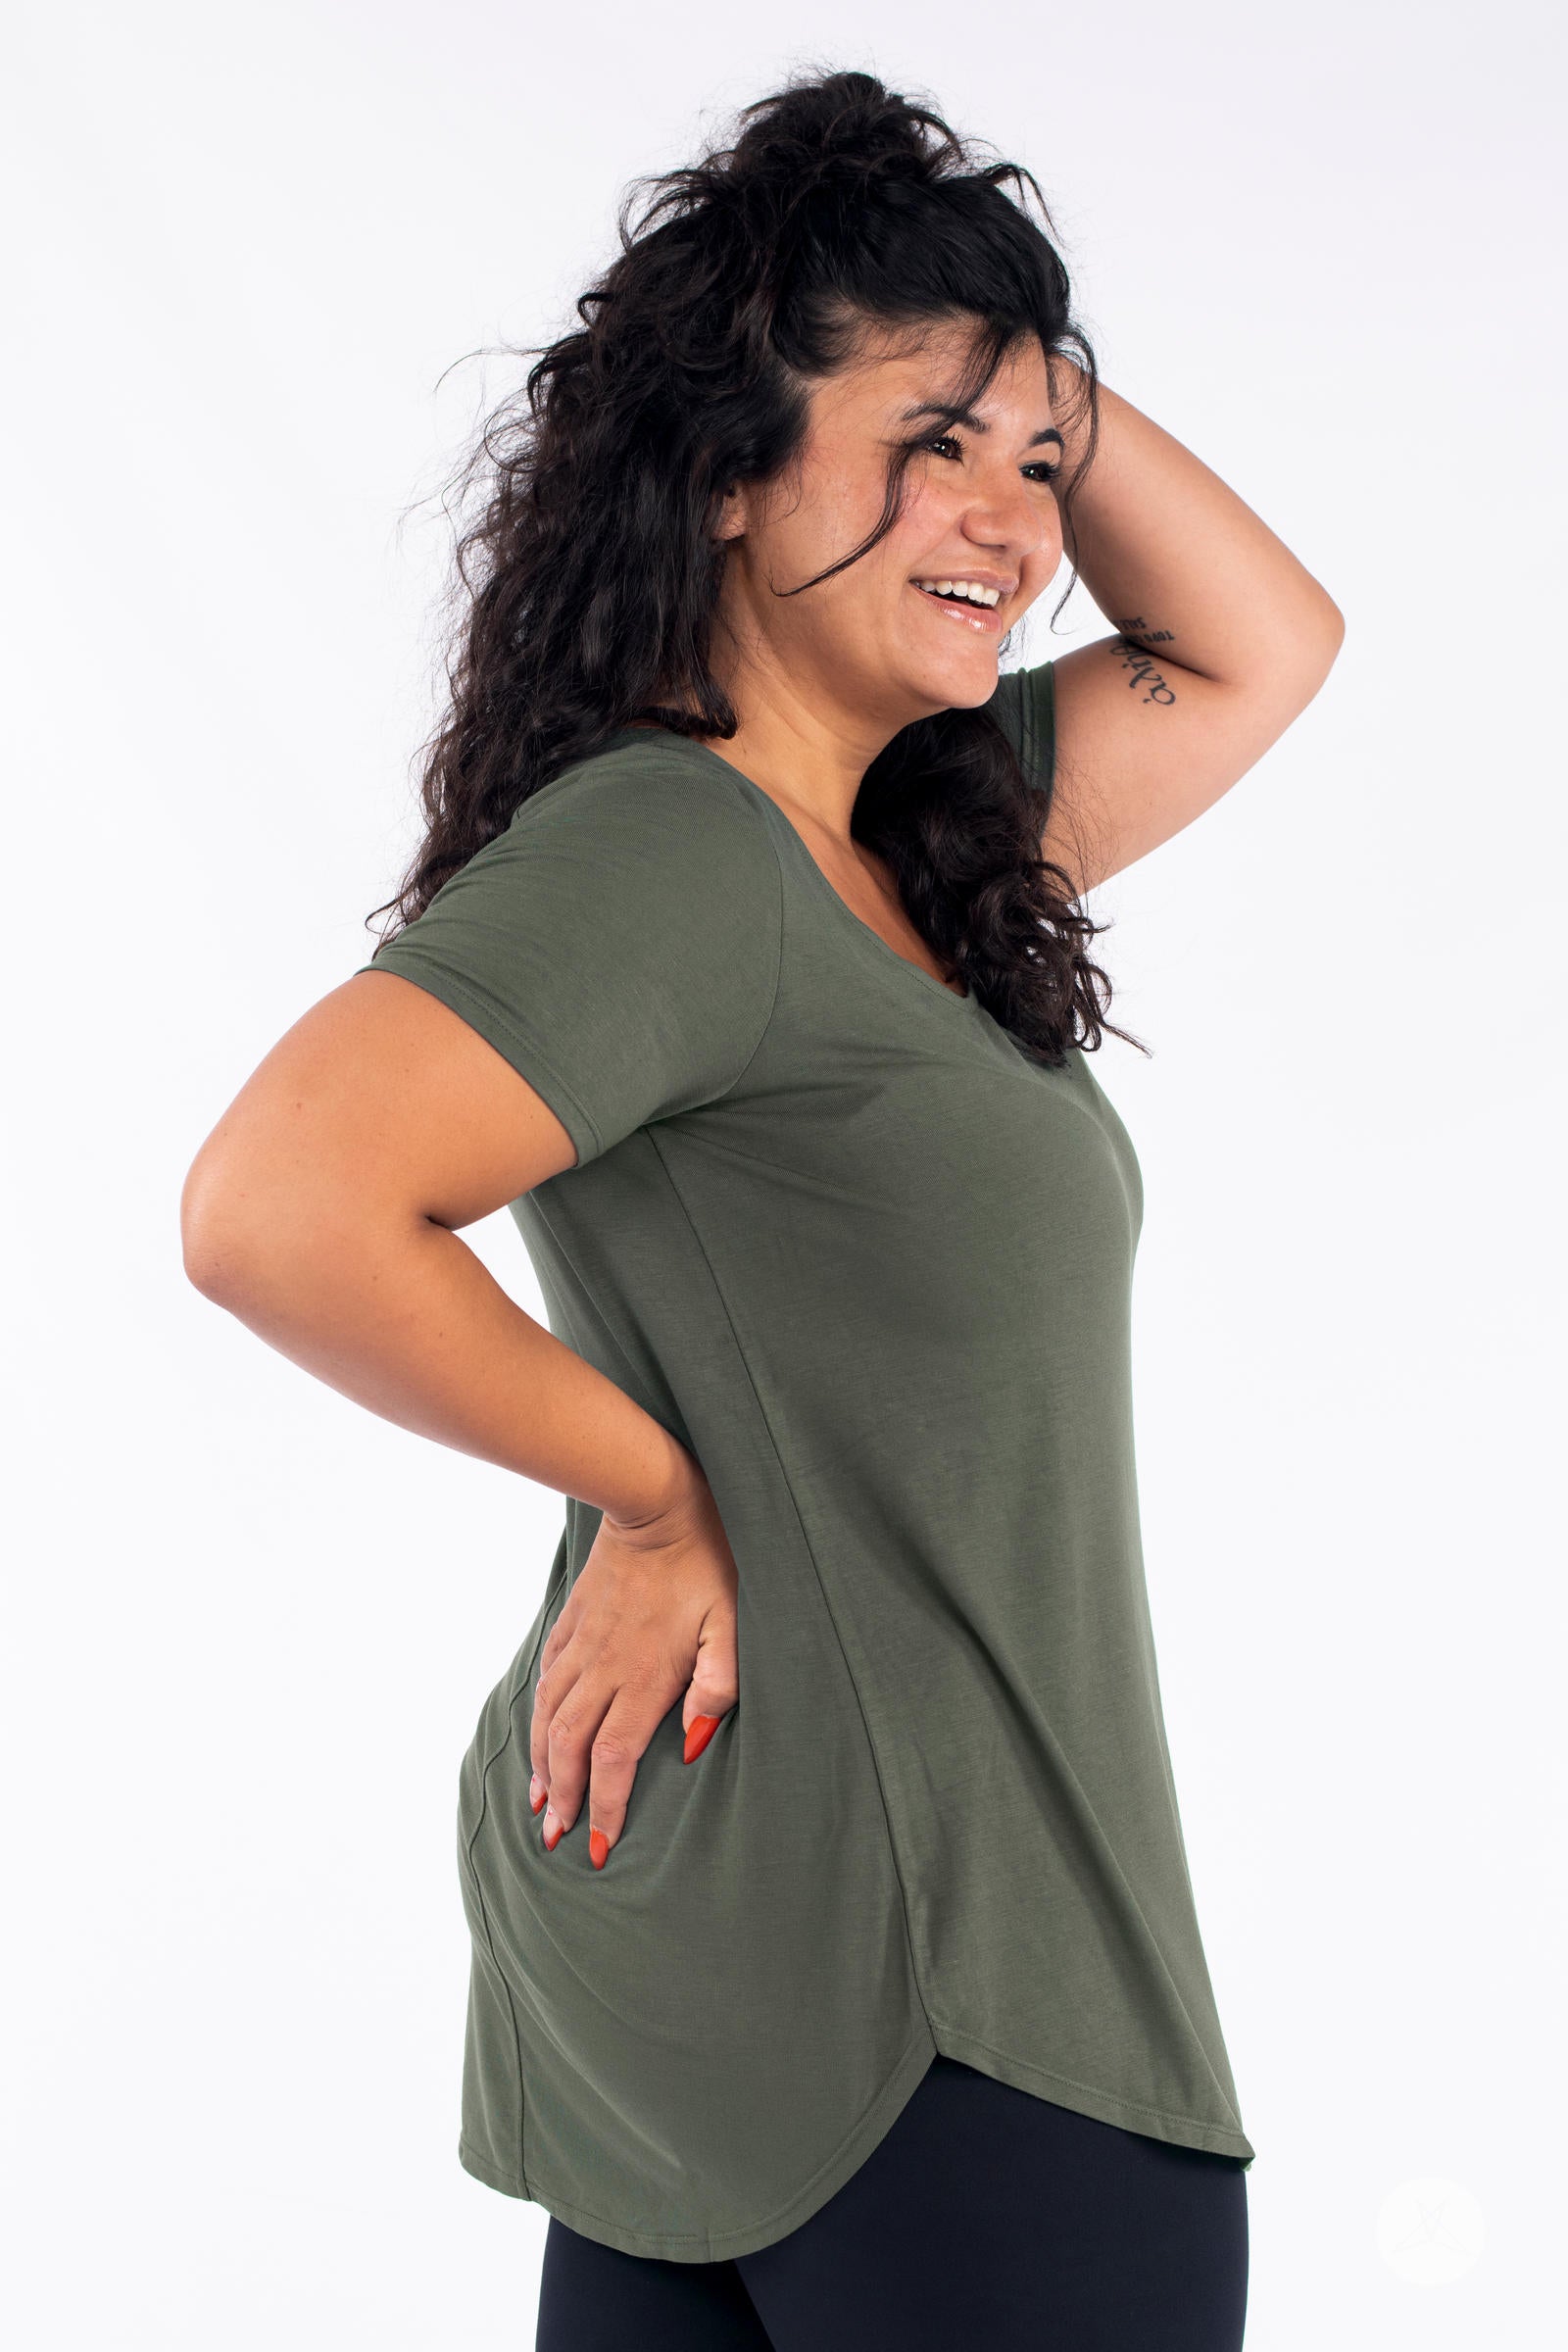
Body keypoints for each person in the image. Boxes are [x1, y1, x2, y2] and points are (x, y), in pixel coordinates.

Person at [181, 66, 1342, 2351]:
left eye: (1037, 465)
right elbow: (274, 1211)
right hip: (934, 1984)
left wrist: (988, 346)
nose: (1009, 520)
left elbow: (1258, 640)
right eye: (929, 447)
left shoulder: (924, 840)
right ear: (723, 465)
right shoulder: (681, 854)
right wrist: (646, 1494)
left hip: (761, 1940)